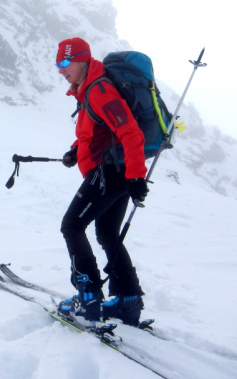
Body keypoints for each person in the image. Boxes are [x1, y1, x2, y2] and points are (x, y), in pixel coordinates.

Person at [54, 37, 149, 326]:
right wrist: (76, 150)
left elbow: (130, 132)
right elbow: (96, 130)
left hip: (110, 173)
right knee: (107, 234)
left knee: (72, 225)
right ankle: (127, 299)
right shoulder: (88, 90)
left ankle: (89, 296)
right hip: (115, 172)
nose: (61, 69)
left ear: (83, 59)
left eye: (66, 63)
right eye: (58, 64)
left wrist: (136, 176)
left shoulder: (99, 90)